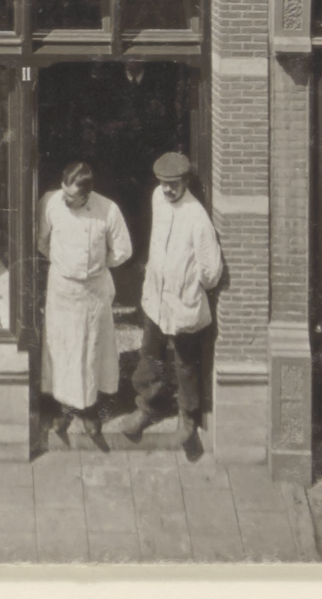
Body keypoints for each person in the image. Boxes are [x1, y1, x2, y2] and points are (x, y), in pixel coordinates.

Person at [116, 149, 225, 456]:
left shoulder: (197, 217)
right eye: (163, 182)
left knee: (185, 362)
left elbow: (212, 272)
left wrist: (187, 284)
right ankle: (147, 407)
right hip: (156, 297)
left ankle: (187, 417)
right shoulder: (157, 198)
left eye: (174, 184)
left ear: (185, 182)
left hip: (183, 302)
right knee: (149, 355)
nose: (167, 189)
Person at [37, 160, 133, 449]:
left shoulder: (108, 210)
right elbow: (42, 241)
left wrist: (98, 266)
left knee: (90, 350)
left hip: (92, 291)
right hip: (62, 289)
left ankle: (90, 410)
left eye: (72, 196)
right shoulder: (50, 203)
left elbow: (123, 251)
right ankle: (62, 409)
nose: (65, 199)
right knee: (62, 349)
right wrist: (63, 264)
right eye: (64, 192)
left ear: (87, 194)